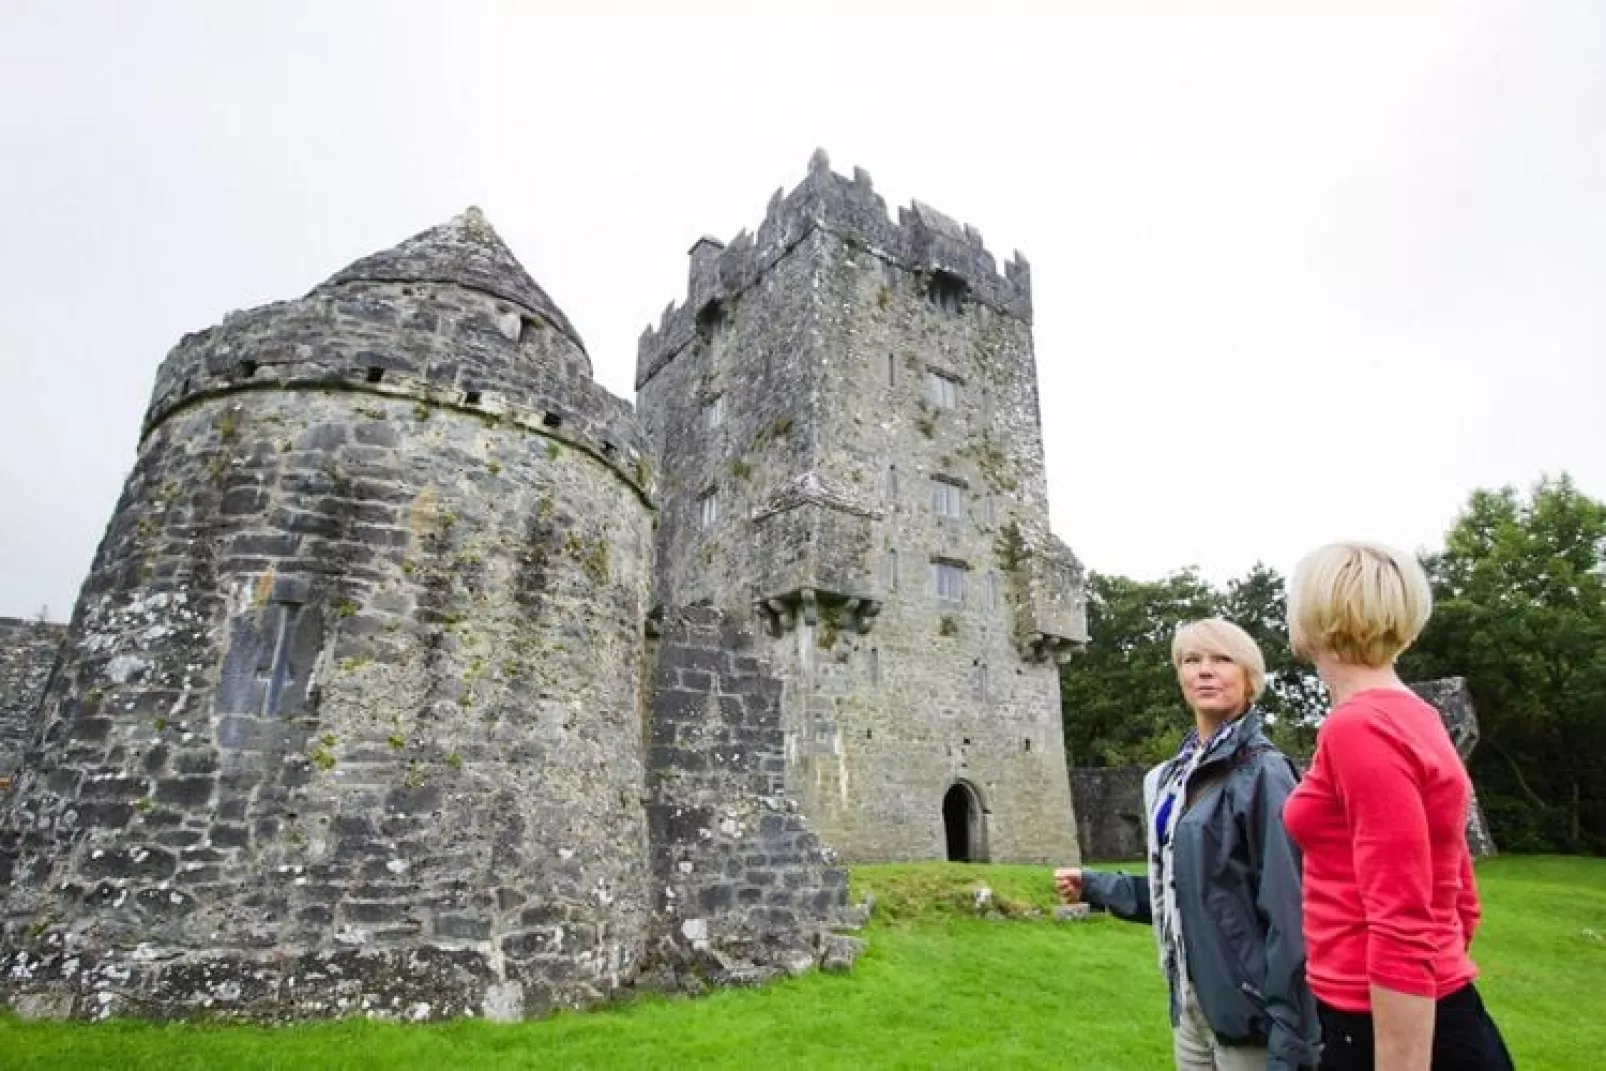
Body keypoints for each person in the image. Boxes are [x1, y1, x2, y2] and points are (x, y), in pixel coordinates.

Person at [1281, 541, 1513, 1071]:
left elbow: (1401, 913)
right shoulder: (1417, 716)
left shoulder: (1360, 727)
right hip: (1420, 1005)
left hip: (1380, 1018)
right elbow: (1457, 884)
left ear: (1317, 611)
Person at [1056, 618, 1318, 1071]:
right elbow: (1188, 894)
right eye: (1191, 660)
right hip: (1191, 1011)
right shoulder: (1168, 779)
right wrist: (1096, 886)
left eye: (1221, 659)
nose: (1204, 670)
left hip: (1250, 1018)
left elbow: (1291, 915)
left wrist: (1292, 1042)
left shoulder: (1265, 774)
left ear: (1250, 678)